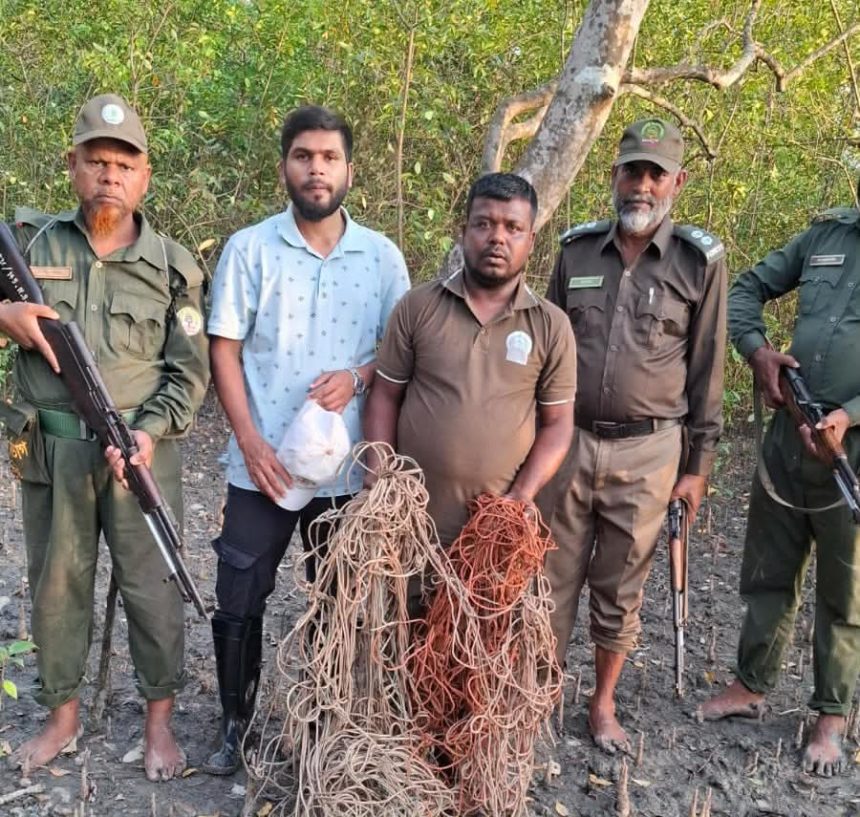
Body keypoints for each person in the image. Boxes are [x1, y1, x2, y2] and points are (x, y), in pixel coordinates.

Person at [0, 94, 209, 780]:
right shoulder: (30, 242)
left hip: (138, 453)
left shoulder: (173, 267)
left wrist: (147, 434)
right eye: (95, 161)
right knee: (57, 584)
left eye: (124, 164)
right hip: (54, 449)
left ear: (144, 176)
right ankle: (62, 717)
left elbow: (189, 375)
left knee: (153, 585)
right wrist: (6, 313)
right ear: (72, 166)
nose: (109, 175)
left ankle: (159, 723)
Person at [204, 104, 410, 775]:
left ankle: (325, 720)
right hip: (261, 465)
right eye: (303, 156)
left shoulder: (381, 257)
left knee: (339, 595)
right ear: (284, 166)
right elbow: (224, 349)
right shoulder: (250, 248)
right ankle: (236, 720)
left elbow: (401, 350)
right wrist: (250, 440)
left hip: (347, 470)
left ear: (350, 169)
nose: (316, 169)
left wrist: (357, 375)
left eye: (328, 157)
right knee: (240, 592)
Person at [542, 117, 727, 754]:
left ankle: (601, 705)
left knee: (620, 587)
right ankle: (538, 694)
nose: (641, 186)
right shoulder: (574, 252)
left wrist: (697, 466)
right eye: (632, 171)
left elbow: (706, 369)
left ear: (676, 180)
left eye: (655, 173)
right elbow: (544, 351)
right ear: (614, 175)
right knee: (550, 576)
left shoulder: (699, 262)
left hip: (651, 451)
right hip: (568, 443)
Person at [697, 203, 860, 777]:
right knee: (769, 570)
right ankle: (750, 685)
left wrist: (850, 415)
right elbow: (746, 289)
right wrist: (758, 351)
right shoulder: (825, 233)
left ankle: (831, 718)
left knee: (845, 592)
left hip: (851, 453)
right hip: (790, 435)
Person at [364, 172, 576, 554]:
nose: (497, 237)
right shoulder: (418, 306)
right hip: (408, 521)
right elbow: (384, 394)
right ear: (464, 232)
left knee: (479, 615)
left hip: (491, 534)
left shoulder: (552, 326)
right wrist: (380, 475)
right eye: (484, 224)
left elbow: (559, 424)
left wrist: (522, 496)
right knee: (400, 614)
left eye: (513, 228)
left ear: (531, 241)